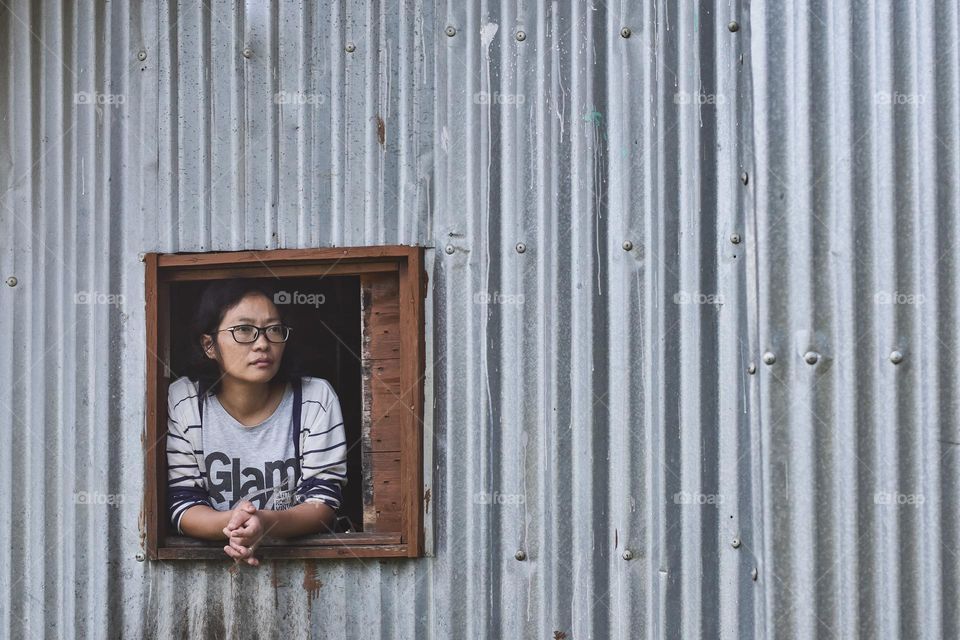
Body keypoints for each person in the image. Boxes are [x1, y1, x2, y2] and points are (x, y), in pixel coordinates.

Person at [165, 279, 347, 566]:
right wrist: (235, 525)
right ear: (209, 345)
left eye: (273, 330)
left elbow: (323, 503)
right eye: (244, 331)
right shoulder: (185, 400)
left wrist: (265, 522)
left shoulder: (314, 398)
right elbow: (183, 503)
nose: (263, 343)